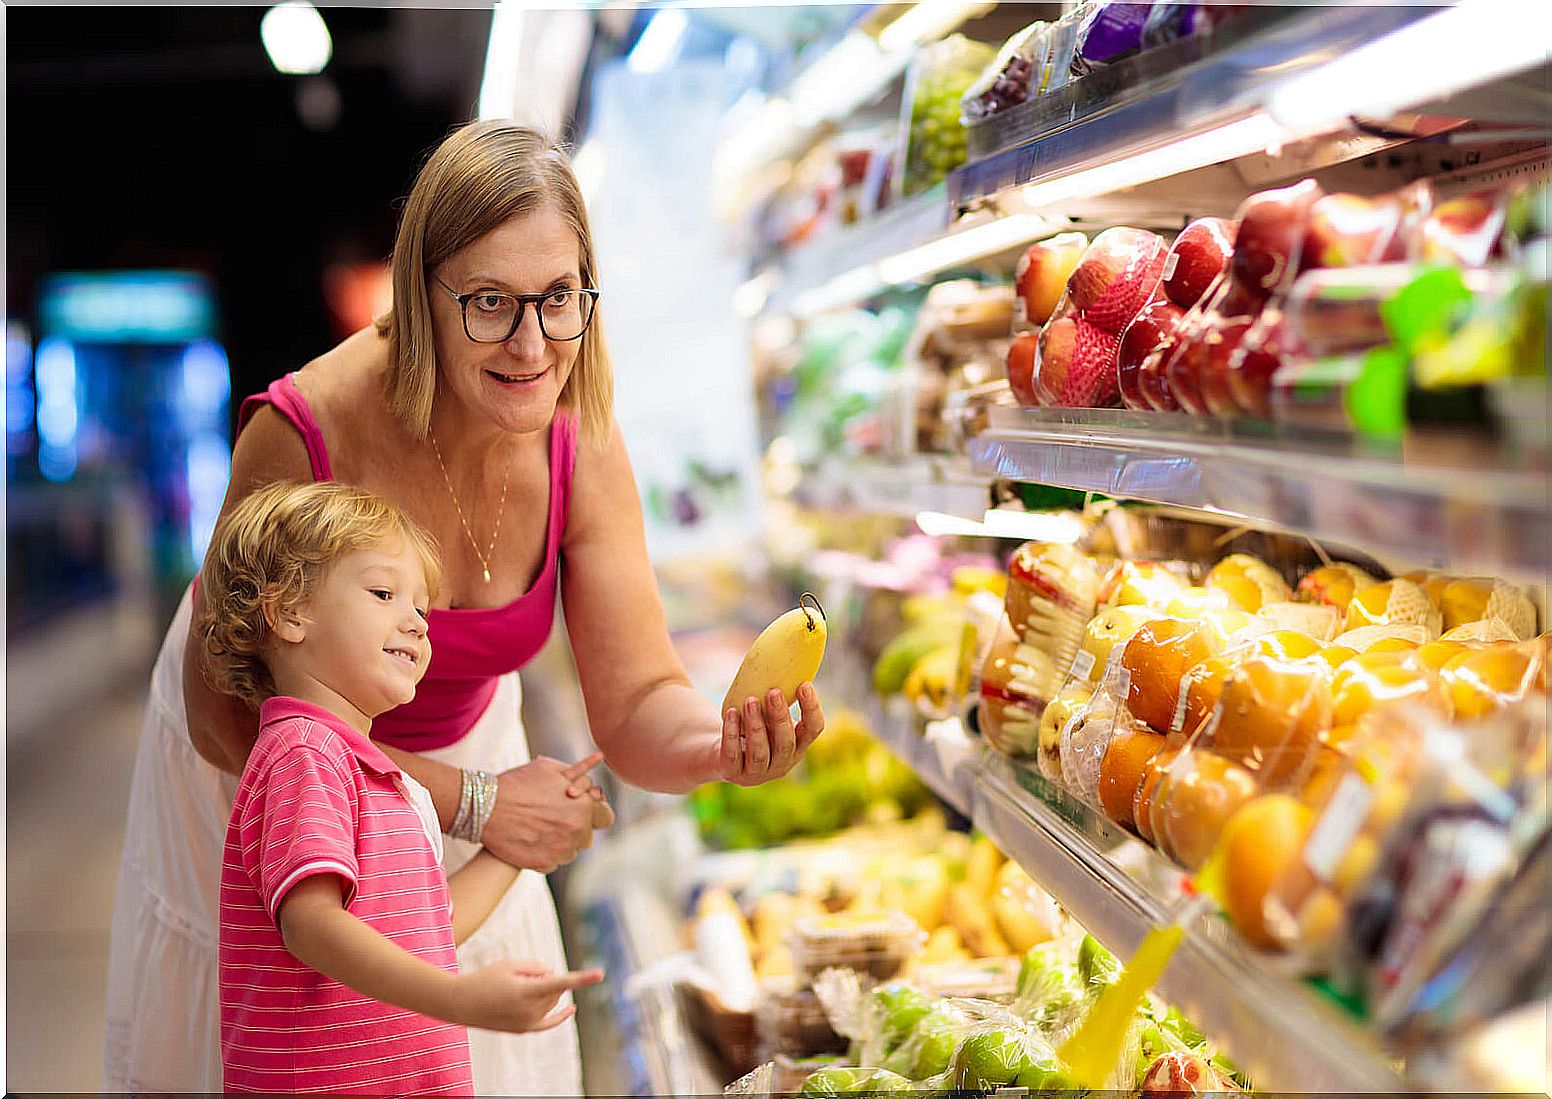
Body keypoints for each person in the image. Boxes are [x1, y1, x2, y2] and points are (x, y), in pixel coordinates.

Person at [104, 118, 827, 1095]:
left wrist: (721, 745)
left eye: (559, 299)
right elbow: (228, 710)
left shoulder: (582, 436)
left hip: (456, 763)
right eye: (489, 302)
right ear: (420, 296)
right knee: (306, 1043)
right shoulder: (304, 430)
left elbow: (637, 696)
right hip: (276, 761)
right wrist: (470, 801)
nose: (531, 344)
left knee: (454, 1045)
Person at [199, 479, 603, 1092]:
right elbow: (310, 923)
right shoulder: (303, 753)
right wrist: (461, 998)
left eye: (421, 608)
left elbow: (424, 925)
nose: (416, 625)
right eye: (385, 593)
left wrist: (520, 845)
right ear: (288, 611)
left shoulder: (368, 771)